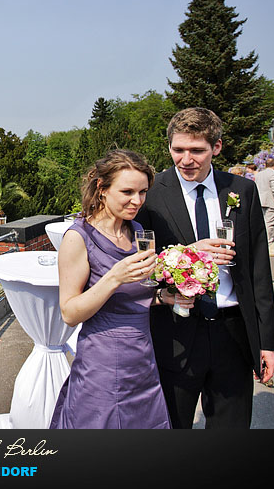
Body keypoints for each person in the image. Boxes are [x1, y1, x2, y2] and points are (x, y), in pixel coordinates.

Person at [135, 107, 274, 429]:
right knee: (171, 425)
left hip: (233, 332)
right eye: (178, 150)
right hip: (174, 332)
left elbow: (259, 270)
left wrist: (266, 342)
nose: (186, 159)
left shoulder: (242, 190)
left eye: (197, 150)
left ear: (217, 147)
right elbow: (137, 265)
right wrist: (187, 254)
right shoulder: (151, 195)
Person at [49, 149, 175, 429]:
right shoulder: (78, 238)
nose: (137, 201)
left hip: (143, 361)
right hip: (103, 365)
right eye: (127, 191)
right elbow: (70, 313)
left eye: (143, 192)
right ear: (101, 189)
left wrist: (162, 297)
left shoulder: (139, 231)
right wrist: (114, 277)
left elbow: (133, 295)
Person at [255, 157, 274, 243]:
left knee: (261, 222)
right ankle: (267, 241)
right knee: (269, 223)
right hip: (270, 201)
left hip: (260, 200)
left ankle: (259, 240)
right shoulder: (273, 174)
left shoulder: (259, 174)